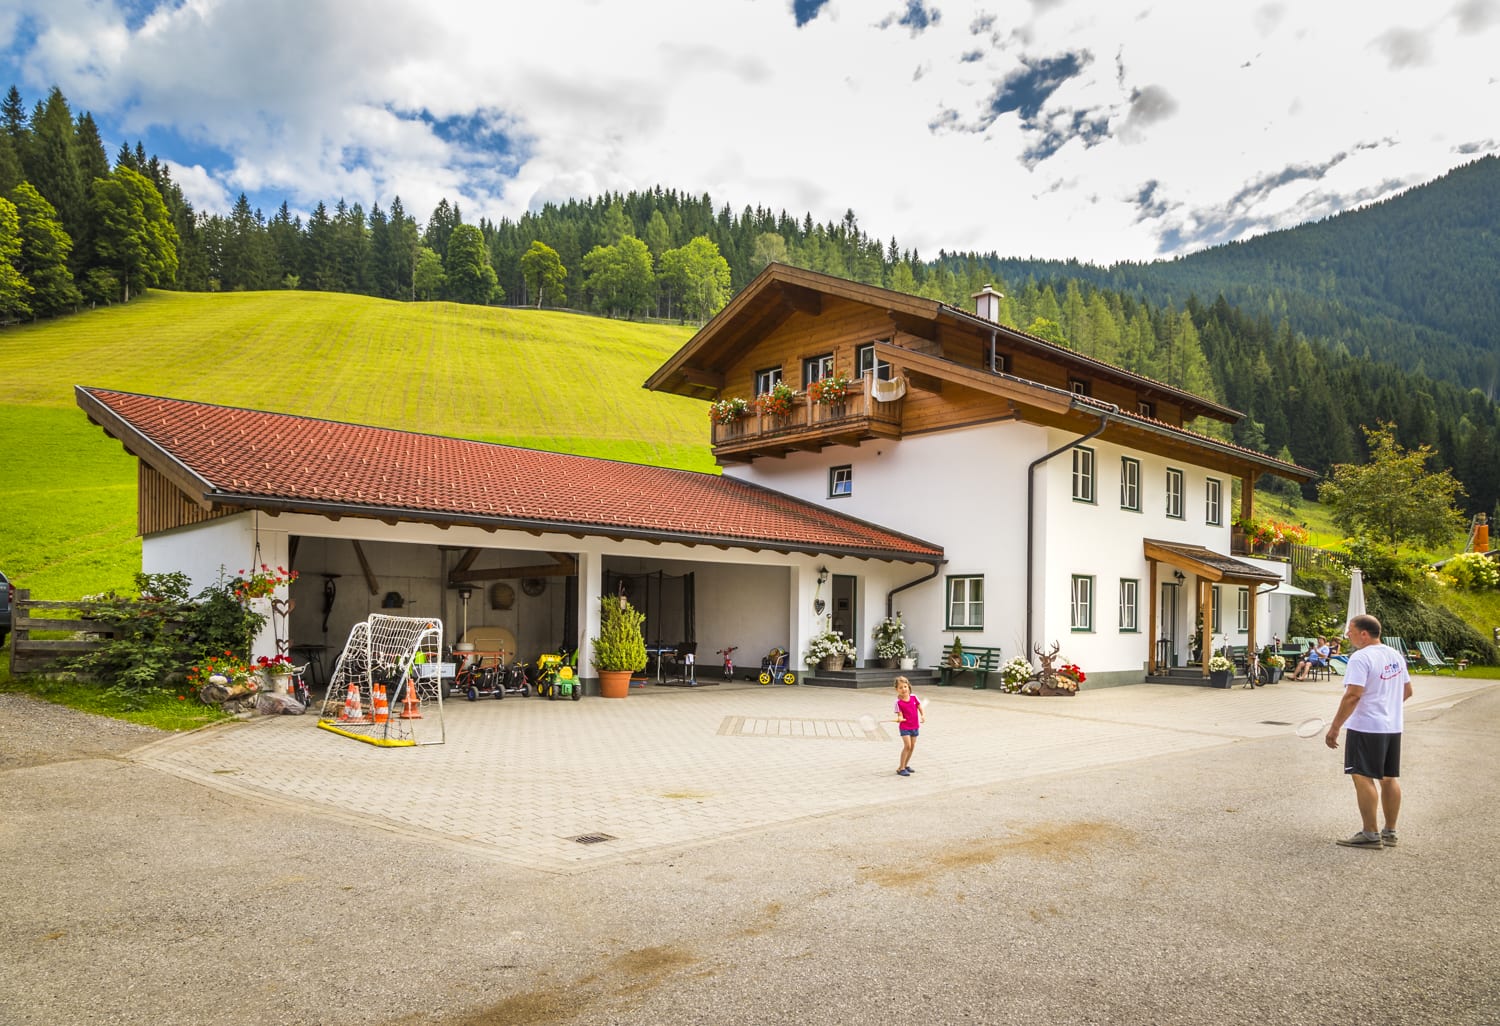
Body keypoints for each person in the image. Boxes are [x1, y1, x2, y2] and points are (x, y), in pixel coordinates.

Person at [1326, 614, 1413, 849]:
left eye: (1351, 631)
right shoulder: (1395, 655)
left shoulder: (1360, 657)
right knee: (1388, 778)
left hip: (1366, 726)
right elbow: (1407, 691)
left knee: (1362, 776)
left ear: (1363, 634)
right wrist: (1387, 707)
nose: (1347, 635)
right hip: (1392, 727)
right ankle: (1390, 832)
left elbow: (1353, 695)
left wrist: (1335, 727)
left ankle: (1370, 833)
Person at [892, 676, 925, 776]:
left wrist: (923, 715)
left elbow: (919, 706)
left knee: (912, 747)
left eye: (905, 686)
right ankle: (901, 768)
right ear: (897, 689)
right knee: (907, 746)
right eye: (900, 687)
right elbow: (900, 715)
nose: (903, 689)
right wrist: (900, 718)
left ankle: (905, 766)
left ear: (908, 687)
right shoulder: (898, 702)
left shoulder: (914, 697)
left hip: (915, 726)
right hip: (905, 727)